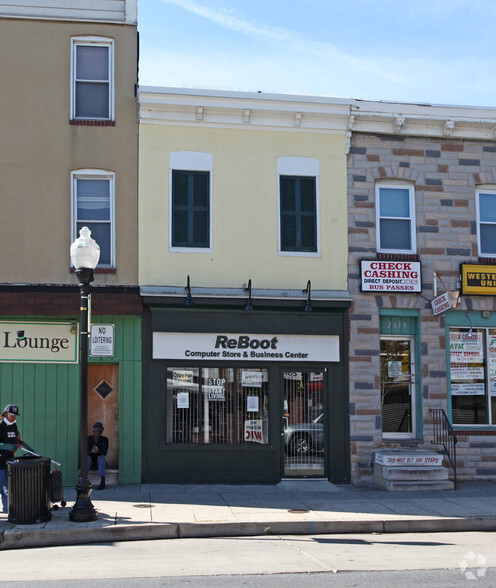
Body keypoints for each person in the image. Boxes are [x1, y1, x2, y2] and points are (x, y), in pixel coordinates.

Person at [0, 404, 22, 513]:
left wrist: (18, 444)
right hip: (1, 461)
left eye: (15, 416)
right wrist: (7, 446)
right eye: (11, 415)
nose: (13, 418)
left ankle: (7, 508)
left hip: (10, 460)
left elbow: (17, 439)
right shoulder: (1, 426)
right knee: (3, 485)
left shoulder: (14, 426)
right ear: (5, 414)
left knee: (7, 486)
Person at [87, 422, 108, 490]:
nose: (97, 432)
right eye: (96, 430)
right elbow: (85, 451)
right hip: (90, 462)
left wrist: (97, 451)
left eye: (99, 431)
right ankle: (84, 480)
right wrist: (91, 451)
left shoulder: (105, 440)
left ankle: (102, 481)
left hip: (99, 463)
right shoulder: (88, 439)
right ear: (93, 431)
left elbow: (104, 452)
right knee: (87, 458)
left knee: (101, 457)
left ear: (101, 432)